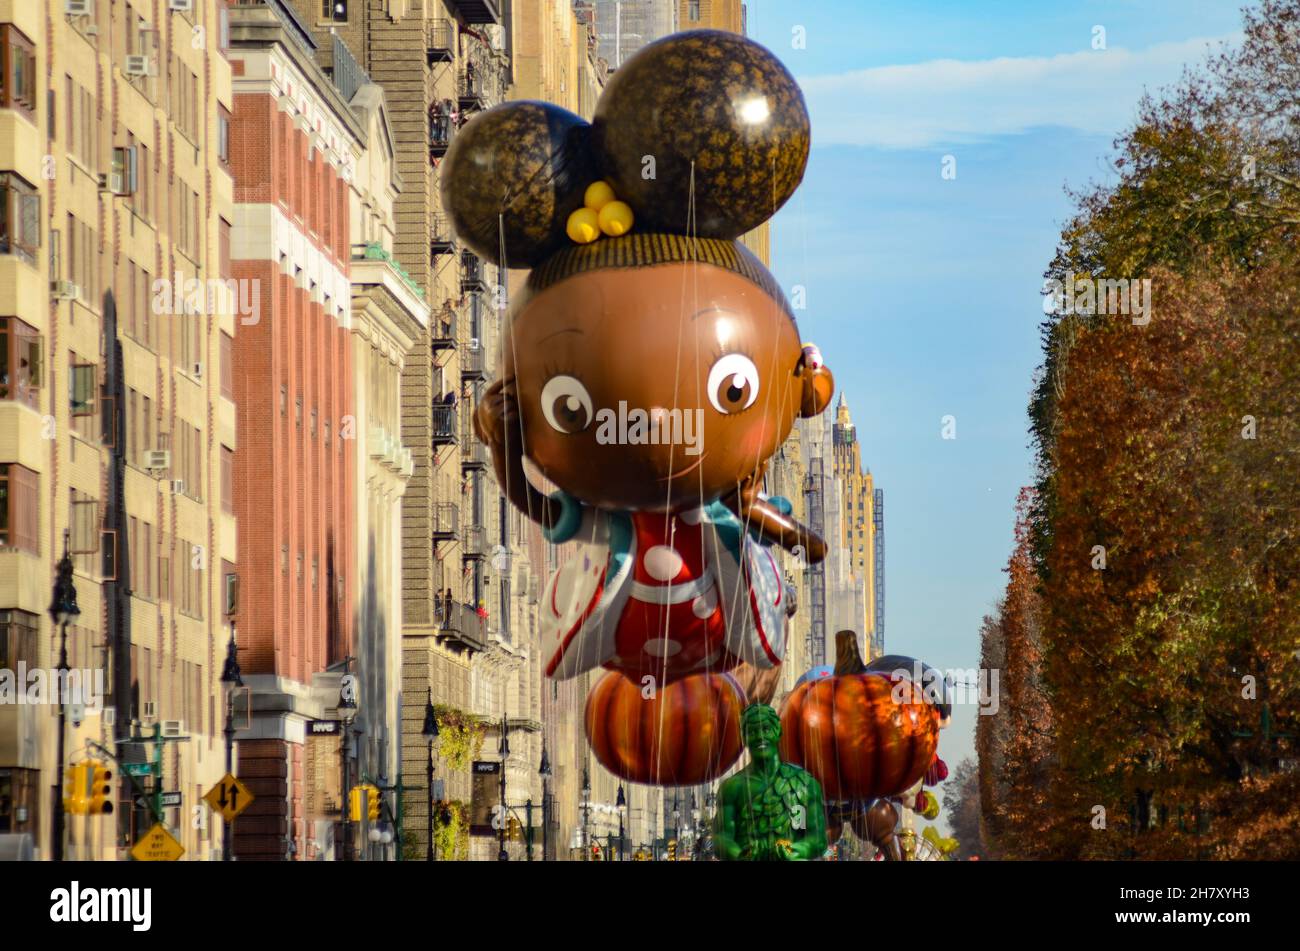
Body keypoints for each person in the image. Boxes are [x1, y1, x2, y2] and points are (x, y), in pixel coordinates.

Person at [714, 704, 827, 861]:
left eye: (766, 729)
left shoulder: (803, 785)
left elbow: (817, 839)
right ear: (744, 738)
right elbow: (721, 838)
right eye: (752, 732)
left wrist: (797, 850)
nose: (760, 736)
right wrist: (740, 855)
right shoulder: (732, 788)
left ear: (778, 731)